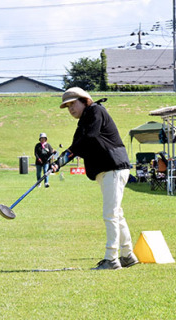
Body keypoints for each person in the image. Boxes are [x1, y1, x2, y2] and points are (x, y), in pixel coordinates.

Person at [53, 87, 139, 270]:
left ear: (84, 100)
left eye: (73, 104)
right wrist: (59, 162)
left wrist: (67, 155)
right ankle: (127, 255)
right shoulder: (84, 120)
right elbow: (75, 146)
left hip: (113, 168)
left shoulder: (96, 111)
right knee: (117, 214)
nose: (70, 109)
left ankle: (112, 258)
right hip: (107, 170)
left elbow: (89, 138)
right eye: (67, 107)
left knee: (110, 214)